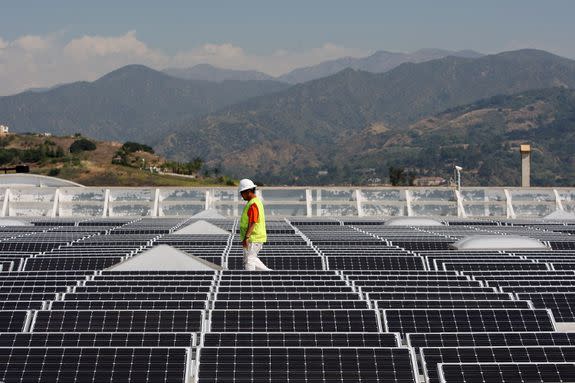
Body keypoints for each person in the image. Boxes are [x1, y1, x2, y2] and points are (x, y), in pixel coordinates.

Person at [238, 178, 271, 271]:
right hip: (253, 237)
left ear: (248, 191)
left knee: (249, 260)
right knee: (250, 259)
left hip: (253, 238)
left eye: (242, 193)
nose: (241, 195)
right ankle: (271, 274)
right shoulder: (253, 203)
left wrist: (247, 237)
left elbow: (253, 222)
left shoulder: (253, 204)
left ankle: (250, 281)